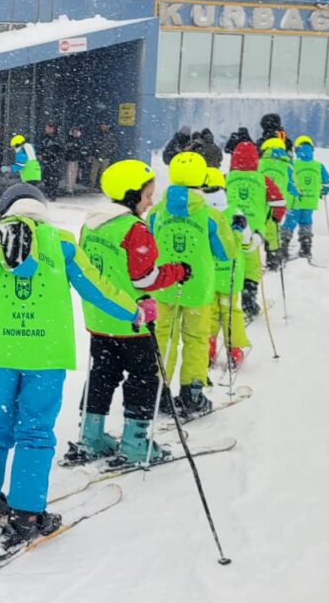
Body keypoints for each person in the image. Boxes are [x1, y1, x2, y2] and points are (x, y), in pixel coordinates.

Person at [0, 183, 150, 547]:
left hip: (1, 354)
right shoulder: (62, 244)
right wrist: (135, 311)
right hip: (46, 356)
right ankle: (26, 516)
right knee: (35, 431)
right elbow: (97, 289)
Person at [65, 160, 190, 467]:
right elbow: (145, 278)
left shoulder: (90, 225)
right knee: (143, 378)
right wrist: (177, 271)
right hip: (133, 321)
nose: (151, 203)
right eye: (147, 196)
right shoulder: (134, 229)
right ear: (132, 195)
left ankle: (91, 437)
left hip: (99, 319)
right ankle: (135, 443)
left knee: (102, 374)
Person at [146, 152, 231, 417]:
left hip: (163, 284)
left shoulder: (156, 212)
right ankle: (192, 393)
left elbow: (147, 244)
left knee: (163, 336)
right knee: (195, 339)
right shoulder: (210, 215)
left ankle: (156, 391)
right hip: (198, 288)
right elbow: (226, 253)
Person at [225, 141, 286, 320]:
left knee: (229, 263)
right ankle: (249, 303)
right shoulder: (263, 180)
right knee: (251, 267)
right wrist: (275, 218)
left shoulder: (226, 178)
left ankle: (225, 302)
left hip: (229, 229)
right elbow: (279, 202)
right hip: (253, 232)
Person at [200, 168, 251, 370]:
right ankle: (235, 349)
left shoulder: (201, 213)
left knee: (210, 312)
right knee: (231, 311)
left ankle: (208, 347)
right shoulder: (235, 213)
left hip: (208, 274)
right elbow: (246, 242)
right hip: (231, 274)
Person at [281, 136, 329, 260]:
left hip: (295, 201)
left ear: (297, 149)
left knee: (289, 224)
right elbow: (328, 184)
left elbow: (285, 180)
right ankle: (306, 249)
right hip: (310, 201)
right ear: (312, 149)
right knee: (306, 223)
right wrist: (322, 191)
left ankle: (283, 249)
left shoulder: (292, 164)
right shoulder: (318, 166)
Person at [259, 138, 296, 271]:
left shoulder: (259, 163)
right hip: (277, 204)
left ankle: (251, 260)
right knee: (273, 232)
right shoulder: (288, 166)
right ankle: (273, 260)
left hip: (259, 203)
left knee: (255, 230)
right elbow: (294, 187)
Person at [36, 122, 63, 198]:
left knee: (53, 178)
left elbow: (59, 150)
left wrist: (47, 154)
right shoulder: (45, 138)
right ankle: (49, 192)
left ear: (52, 129)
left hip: (54, 161)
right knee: (46, 177)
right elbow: (42, 147)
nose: (46, 129)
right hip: (47, 161)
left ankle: (52, 194)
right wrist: (40, 154)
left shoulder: (57, 139)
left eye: (47, 128)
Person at [88, 121, 117, 187]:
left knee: (104, 172)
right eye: (101, 126)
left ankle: (103, 186)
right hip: (96, 156)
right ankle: (91, 185)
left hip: (105, 157)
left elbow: (114, 146)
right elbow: (92, 145)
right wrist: (92, 154)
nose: (102, 127)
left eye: (104, 126)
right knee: (93, 172)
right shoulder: (97, 135)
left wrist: (108, 153)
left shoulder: (111, 135)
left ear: (107, 127)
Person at [63, 128, 85, 195]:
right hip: (70, 160)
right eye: (74, 132)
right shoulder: (69, 140)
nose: (75, 133)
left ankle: (72, 188)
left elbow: (80, 149)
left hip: (76, 160)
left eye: (76, 132)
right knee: (69, 174)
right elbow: (66, 149)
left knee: (74, 175)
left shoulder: (79, 140)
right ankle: (68, 189)